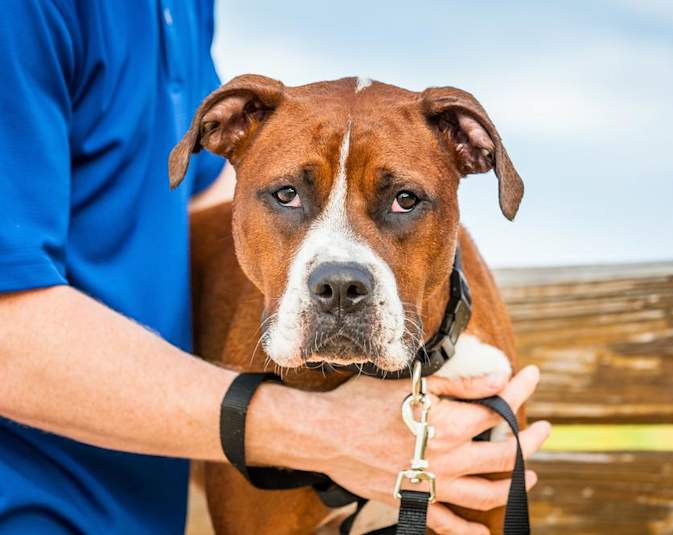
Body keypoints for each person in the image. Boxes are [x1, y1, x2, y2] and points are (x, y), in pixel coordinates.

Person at [0, 2, 550, 534]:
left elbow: (212, 198)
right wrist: (311, 429)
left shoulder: (185, 9)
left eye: (404, 200)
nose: (339, 273)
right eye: (288, 194)